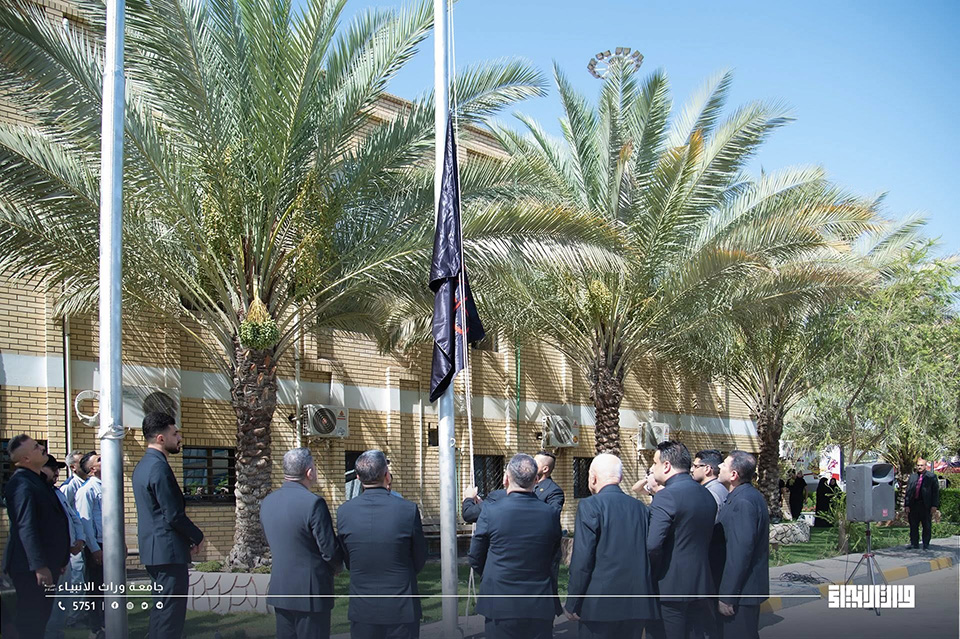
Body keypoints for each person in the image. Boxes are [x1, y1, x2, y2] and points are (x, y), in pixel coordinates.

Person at [564, 454, 658, 639]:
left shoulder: (590, 505)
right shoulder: (640, 508)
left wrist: (573, 601)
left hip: (600, 605)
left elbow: (582, 559)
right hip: (636, 603)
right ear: (620, 478)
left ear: (593, 478)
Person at [469, 453, 562, 639]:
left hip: (500, 601)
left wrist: (493, 574)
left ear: (506, 478)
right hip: (538, 600)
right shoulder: (550, 513)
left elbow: (476, 555)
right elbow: (554, 555)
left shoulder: (491, 511)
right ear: (536, 480)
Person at [336, 449, 426, 639]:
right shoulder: (408, 510)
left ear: (358, 477)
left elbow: (348, 557)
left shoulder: (344, 512)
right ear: (387, 475)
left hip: (363, 608)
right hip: (401, 606)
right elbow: (419, 556)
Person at [132, 411, 205, 639]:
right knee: (170, 616)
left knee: (161, 610)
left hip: (155, 551)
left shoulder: (143, 466)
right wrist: (197, 536)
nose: (179, 438)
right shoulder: (158, 467)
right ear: (161, 438)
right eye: (175, 434)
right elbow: (172, 514)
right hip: (168, 552)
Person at [260, 448, 340, 639]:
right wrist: (337, 567)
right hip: (310, 592)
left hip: (281, 589)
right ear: (309, 472)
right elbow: (329, 550)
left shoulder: (268, 502)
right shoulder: (314, 503)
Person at [646, 440, 717, 639]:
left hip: (670, 586)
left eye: (655, 463)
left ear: (667, 466)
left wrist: (650, 573)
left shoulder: (667, 496)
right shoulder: (706, 494)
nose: (653, 468)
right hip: (701, 583)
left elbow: (652, 545)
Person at [2, 434, 70, 639]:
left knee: (39, 619)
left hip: (48, 564)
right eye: (35, 447)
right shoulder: (22, 484)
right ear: (25, 459)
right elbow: (26, 527)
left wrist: (59, 559)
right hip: (31, 568)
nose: (41, 447)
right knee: (31, 621)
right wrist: (39, 566)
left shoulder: (38, 481)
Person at [714, 451, 769, 639]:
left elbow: (739, 552)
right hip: (743, 591)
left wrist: (727, 596)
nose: (719, 466)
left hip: (741, 594)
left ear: (734, 475)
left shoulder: (743, 501)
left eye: (724, 464)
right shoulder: (743, 496)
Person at [41, 454, 86, 639]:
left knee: (63, 599)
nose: (56, 473)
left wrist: (79, 539)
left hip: (66, 554)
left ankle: (57, 632)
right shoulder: (40, 492)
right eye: (52, 469)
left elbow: (72, 517)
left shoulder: (57, 492)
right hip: (51, 557)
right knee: (50, 602)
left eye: (57, 469)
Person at [75, 451, 105, 637]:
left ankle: (110, 624)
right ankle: (96, 628)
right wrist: (95, 549)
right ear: (92, 469)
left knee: (111, 588)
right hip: (98, 546)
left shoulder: (108, 486)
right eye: (99, 460)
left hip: (111, 545)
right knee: (96, 589)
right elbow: (85, 523)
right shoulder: (87, 490)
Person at [59, 449, 90, 627]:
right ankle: (72, 617)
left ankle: (84, 613)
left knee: (85, 578)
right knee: (76, 578)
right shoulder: (68, 487)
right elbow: (66, 515)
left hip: (86, 539)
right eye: (80, 462)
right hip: (75, 541)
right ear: (72, 467)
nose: (85, 464)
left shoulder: (87, 483)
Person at [904, 457, 940, 550]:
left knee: (926, 525)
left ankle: (926, 544)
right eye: (918, 465)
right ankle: (914, 544)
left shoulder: (931, 477)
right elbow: (908, 491)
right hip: (914, 505)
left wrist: (934, 505)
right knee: (913, 525)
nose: (919, 467)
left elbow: (935, 492)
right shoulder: (913, 477)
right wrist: (907, 505)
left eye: (921, 465)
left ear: (925, 466)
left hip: (925, 505)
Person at [693, 449, 728, 522]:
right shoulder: (722, 487)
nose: (692, 469)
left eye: (696, 466)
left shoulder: (710, 493)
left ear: (707, 469)